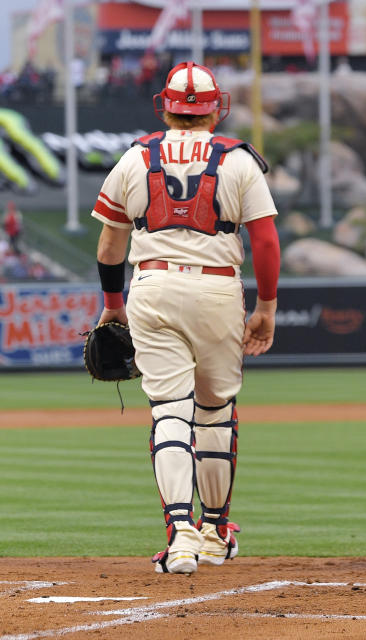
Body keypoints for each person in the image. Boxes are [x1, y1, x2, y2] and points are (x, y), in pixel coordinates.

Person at [89, 61, 279, 574]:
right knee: (215, 410)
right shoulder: (238, 160)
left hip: (152, 285)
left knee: (171, 411)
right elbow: (264, 239)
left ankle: (180, 538)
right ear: (217, 107)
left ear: (165, 107)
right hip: (217, 286)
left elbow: (110, 241)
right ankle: (216, 532)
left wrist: (112, 304)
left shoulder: (134, 158)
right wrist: (266, 307)